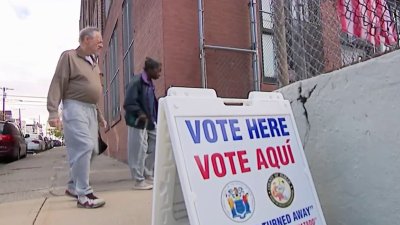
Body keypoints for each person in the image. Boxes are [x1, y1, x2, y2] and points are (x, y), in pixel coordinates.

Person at [47, 27, 107, 208]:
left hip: (90, 110)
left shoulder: (94, 63)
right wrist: (52, 111)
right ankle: (84, 194)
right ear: (86, 40)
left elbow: (93, 93)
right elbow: (58, 81)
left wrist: (100, 116)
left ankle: (73, 186)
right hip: (74, 107)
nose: (102, 45)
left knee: (94, 149)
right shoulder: (69, 57)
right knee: (84, 146)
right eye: (99, 41)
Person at [124, 57, 161, 190]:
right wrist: (140, 113)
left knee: (156, 142)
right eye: (158, 71)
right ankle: (139, 180)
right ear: (150, 70)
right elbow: (128, 103)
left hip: (150, 120)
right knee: (139, 149)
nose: (159, 74)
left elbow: (152, 102)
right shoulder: (137, 81)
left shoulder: (149, 83)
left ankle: (147, 173)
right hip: (137, 120)